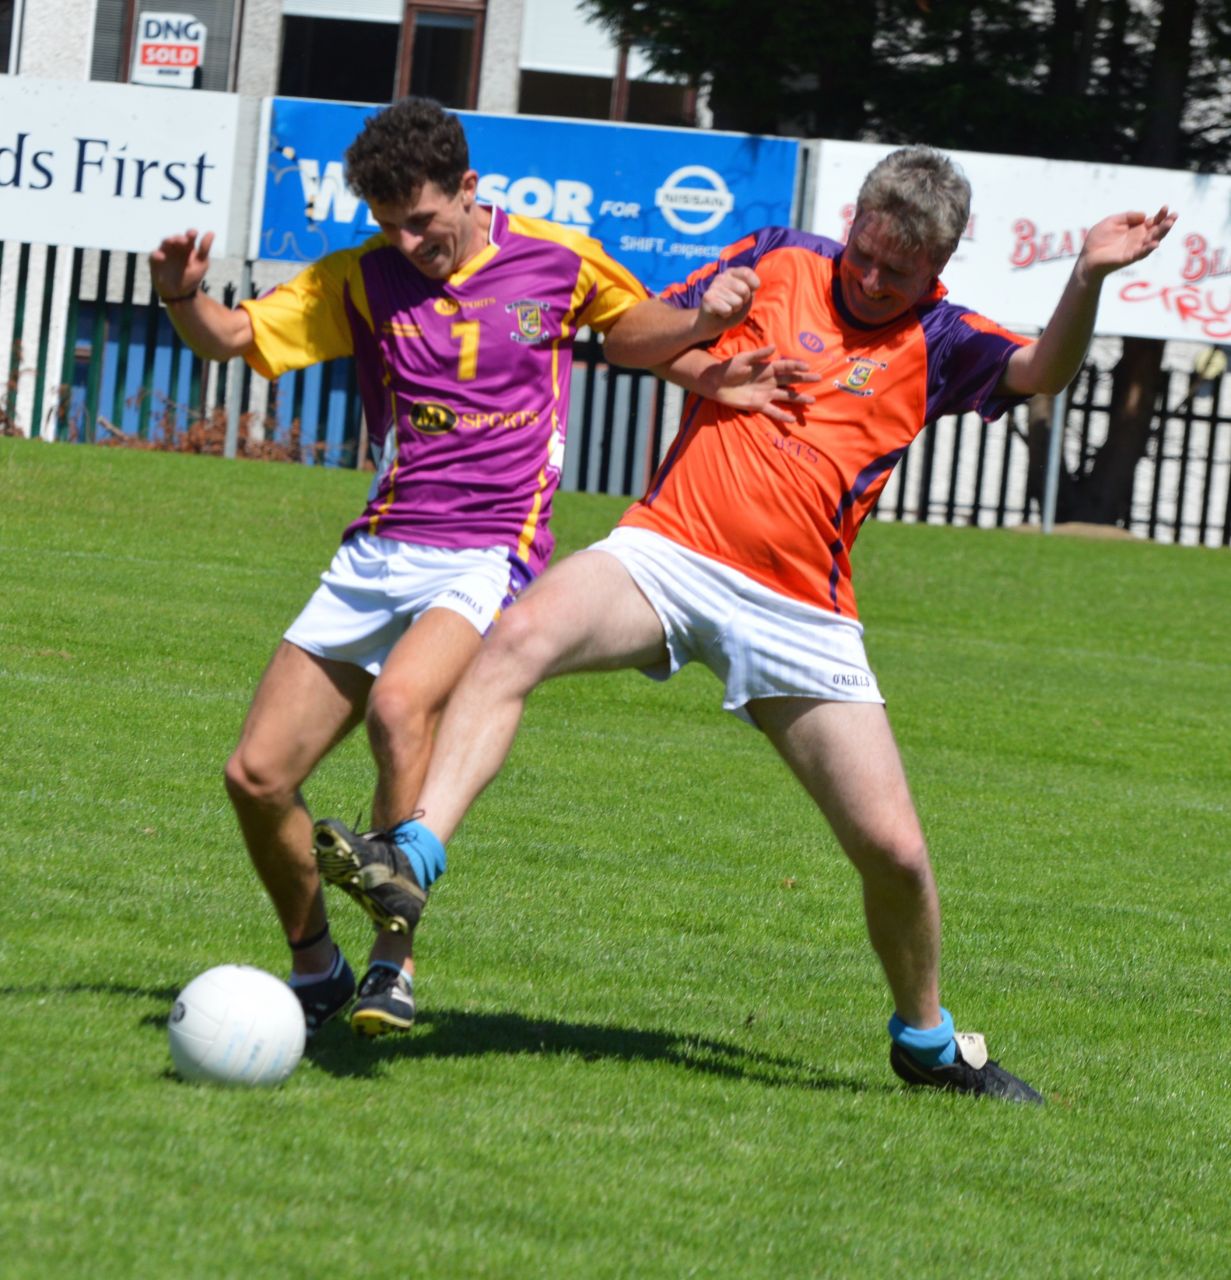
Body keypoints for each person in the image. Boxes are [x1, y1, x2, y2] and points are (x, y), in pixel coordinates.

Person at [311, 146, 1175, 1098]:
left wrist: (1086, 277)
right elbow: (628, 346)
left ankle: (926, 1042)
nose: (873, 279)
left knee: (892, 851)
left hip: (802, 609)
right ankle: (413, 855)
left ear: (939, 267)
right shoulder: (775, 259)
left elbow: (1039, 371)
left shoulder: (940, 335)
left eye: (898, 271)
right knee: (518, 637)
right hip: (668, 553)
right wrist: (706, 342)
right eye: (865, 255)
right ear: (851, 224)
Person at [147, 97, 716, 1039]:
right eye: (389, 224)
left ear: (469, 189)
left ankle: (391, 966)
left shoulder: (558, 257)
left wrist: (704, 337)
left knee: (402, 706)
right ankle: (317, 966)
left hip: (495, 546)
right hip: (379, 546)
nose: (409, 241)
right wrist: (181, 296)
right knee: (254, 776)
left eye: (423, 219)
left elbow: (639, 331)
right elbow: (234, 338)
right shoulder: (361, 278)